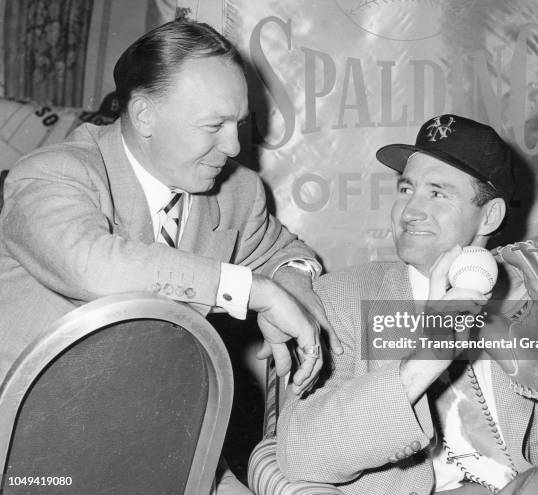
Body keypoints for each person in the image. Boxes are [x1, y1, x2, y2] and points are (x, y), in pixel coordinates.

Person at [0, 20, 341, 493]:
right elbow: (90, 263)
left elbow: (287, 251)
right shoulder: (50, 176)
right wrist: (253, 291)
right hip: (29, 453)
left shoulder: (238, 192)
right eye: (213, 125)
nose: (234, 146)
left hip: (159, 441)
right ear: (144, 116)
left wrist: (293, 288)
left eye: (238, 123)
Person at [276, 115, 538, 494]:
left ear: (490, 215)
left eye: (437, 193)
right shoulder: (341, 297)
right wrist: (428, 357)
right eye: (406, 189)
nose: (410, 210)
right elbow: (297, 452)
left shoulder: (527, 298)